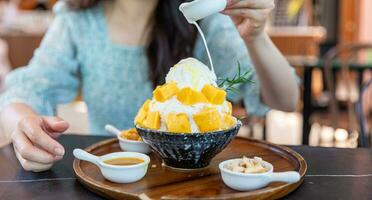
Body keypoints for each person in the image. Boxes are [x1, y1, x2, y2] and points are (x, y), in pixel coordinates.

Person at [0, 0, 299, 172]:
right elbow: (24, 91)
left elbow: (285, 99)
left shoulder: (201, 18)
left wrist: (256, 35)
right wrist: (24, 126)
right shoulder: (78, 20)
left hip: (190, 183)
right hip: (111, 179)